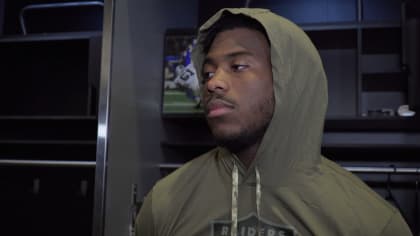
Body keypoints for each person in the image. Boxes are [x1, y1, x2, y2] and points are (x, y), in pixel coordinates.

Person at [136, 8, 412, 236]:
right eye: (208, 72)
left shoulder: (372, 224)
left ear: (288, 82)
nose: (214, 83)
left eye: (238, 66)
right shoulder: (164, 203)